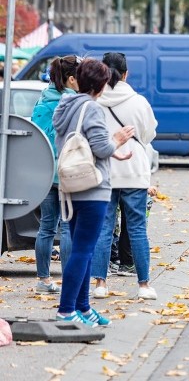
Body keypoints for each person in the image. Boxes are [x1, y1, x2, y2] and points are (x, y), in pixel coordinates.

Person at [52, 58, 134, 326]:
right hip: (92, 188)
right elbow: (101, 148)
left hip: (72, 186)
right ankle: (66, 310)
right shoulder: (93, 109)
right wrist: (118, 140)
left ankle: (83, 307)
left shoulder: (66, 105)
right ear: (100, 85)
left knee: (80, 247)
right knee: (83, 251)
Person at [91, 52, 159, 301]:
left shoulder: (94, 101)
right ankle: (143, 285)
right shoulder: (139, 101)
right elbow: (149, 134)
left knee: (103, 229)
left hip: (104, 171)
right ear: (126, 73)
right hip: (134, 170)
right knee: (138, 228)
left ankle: (100, 283)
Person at [30, 56, 77, 294]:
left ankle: (43, 280)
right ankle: (69, 280)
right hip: (67, 170)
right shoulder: (71, 103)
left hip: (46, 171)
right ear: (70, 78)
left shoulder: (42, 100)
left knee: (46, 227)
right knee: (67, 227)